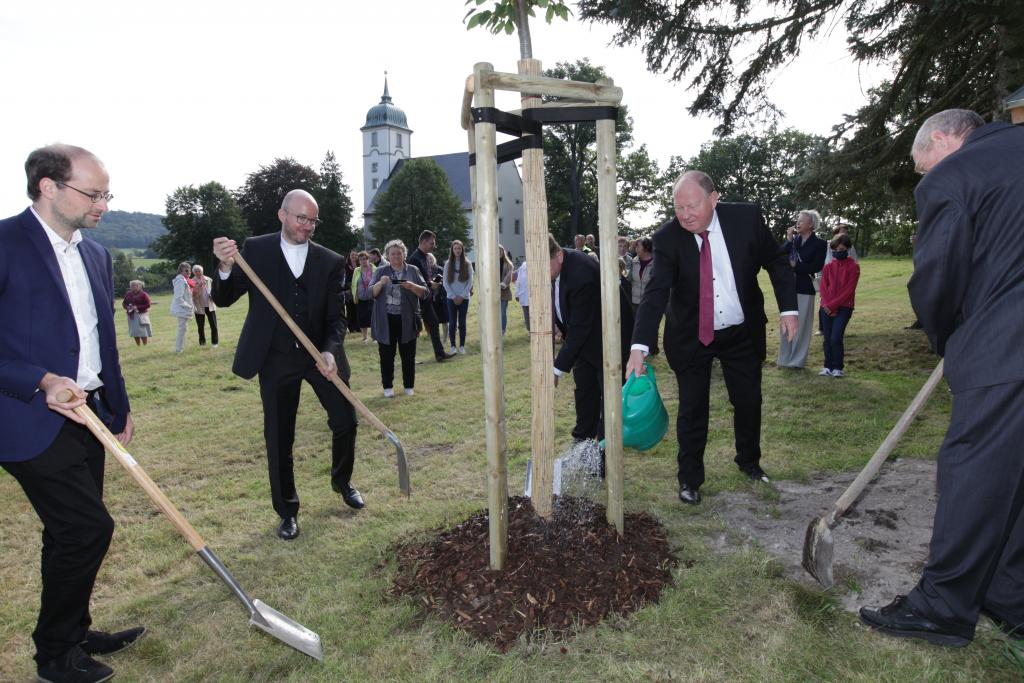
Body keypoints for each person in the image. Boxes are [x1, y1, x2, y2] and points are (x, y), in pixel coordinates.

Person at [860, 109, 1024, 647]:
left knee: (973, 472)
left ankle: (942, 606)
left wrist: (946, 334)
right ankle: (1010, 594)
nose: (923, 176)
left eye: (920, 164)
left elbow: (936, 278)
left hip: (1004, 347)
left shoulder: (955, 176)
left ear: (943, 138)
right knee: (1015, 477)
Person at [1, 144, 143, 683]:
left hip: (90, 413)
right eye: (93, 192)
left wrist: (118, 407)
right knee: (87, 529)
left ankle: (76, 629)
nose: (103, 203)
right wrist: (40, 380)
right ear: (48, 187)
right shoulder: (5, 243)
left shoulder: (96, 255)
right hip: (26, 416)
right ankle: (55, 657)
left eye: (107, 193)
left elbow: (102, 340)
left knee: (67, 534)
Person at [626, 171, 797, 505]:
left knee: (749, 402)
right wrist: (639, 346)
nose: (686, 214)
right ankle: (689, 479)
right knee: (692, 408)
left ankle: (749, 461)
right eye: (679, 207)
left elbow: (776, 260)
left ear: (714, 199)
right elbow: (656, 292)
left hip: (740, 332)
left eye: (693, 206)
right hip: (691, 336)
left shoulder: (746, 218)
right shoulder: (668, 237)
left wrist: (788, 308)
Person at [211, 189, 363, 543]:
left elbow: (336, 318)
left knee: (345, 420)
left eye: (313, 220)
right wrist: (224, 266)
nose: (307, 226)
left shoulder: (329, 260)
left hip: (320, 357)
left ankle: (342, 481)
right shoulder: (256, 250)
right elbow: (225, 297)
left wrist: (328, 351)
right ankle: (287, 510)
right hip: (276, 357)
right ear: (283, 215)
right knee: (279, 435)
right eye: (301, 218)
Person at [550, 234, 634, 448]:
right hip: (585, 340)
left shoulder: (580, 273)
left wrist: (557, 369)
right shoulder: (559, 267)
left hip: (610, 338)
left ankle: (604, 451)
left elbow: (581, 326)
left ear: (558, 255)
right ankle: (582, 442)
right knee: (585, 390)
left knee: (610, 395)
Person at [370, 239, 429, 397]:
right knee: (386, 356)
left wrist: (411, 286)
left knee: (408, 355)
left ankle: (409, 386)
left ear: (404, 254)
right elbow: (369, 293)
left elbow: (425, 292)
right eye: (392, 253)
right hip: (386, 319)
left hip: (407, 319)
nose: (396, 256)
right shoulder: (381, 271)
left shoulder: (413, 270)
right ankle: (387, 387)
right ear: (387, 256)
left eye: (399, 253)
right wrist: (380, 284)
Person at [778, 210, 826, 369]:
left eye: (801, 221)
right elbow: (781, 255)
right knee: (786, 324)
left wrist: (796, 266)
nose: (797, 224)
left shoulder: (820, 244)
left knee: (802, 325)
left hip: (805, 288)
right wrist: (789, 240)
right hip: (788, 288)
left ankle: (797, 361)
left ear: (811, 224)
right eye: (797, 221)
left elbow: (817, 266)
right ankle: (784, 359)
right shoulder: (794, 240)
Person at [406, 230, 456, 362]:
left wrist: (431, 282)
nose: (434, 245)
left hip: (425, 298)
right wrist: (430, 284)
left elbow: (424, 276)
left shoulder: (424, 257)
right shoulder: (414, 258)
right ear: (423, 242)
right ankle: (410, 358)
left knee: (433, 324)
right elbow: (414, 280)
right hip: (415, 300)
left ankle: (439, 354)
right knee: (413, 329)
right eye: (432, 243)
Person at [817, 234, 859, 377]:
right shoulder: (828, 267)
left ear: (847, 249)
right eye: (835, 249)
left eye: (841, 249)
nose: (838, 252)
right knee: (827, 339)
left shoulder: (854, 266)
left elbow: (849, 290)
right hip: (826, 307)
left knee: (836, 338)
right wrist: (827, 305)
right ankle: (827, 366)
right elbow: (823, 287)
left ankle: (838, 368)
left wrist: (833, 306)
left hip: (844, 307)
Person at [443, 239, 473, 354]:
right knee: (452, 322)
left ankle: (461, 346)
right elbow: (445, 282)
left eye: (459, 248)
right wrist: (453, 296)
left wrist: (462, 296)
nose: (457, 250)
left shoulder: (468, 263)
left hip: (464, 298)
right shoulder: (448, 264)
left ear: (462, 249)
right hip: (451, 298)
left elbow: (470, 282)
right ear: (452, 250)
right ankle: (453, 346)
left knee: (462, 322)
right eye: (455, 248)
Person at [629, 237, 657, 355]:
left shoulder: (656, 263)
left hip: (650, 300)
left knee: (650, 325)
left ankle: (652, 348)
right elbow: (629, 279)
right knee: (636, 325)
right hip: (634, 300)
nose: (635, 248)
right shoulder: (633, 262)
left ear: (645, 248)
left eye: (638, 246)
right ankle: (637, 349)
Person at [190, 264, 218, 348]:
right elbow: (193, 295)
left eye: (199, 271)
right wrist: (199, 286)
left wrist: (213, 295)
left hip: (210, 305)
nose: (198, 272)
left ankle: (215, 342)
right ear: (193, 272)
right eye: (196, 271)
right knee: (200, 327)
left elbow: (215, 290)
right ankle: (202, 343)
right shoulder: (191, 281)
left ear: (202, 271)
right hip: (199, 307)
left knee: (214, 325)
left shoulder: (209, 279)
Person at [351, 250, 376, 343]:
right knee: (362, 318)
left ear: (368, 259)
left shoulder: (375, 269)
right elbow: (354, 284)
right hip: (361, 297)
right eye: (361, 259)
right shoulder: (356, 270)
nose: (363, 261)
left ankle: (374, 337)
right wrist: (355, 295)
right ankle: (365, 338)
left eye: (365, 259)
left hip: (372, 297)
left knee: (373, 317)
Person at [169, 261, 194, 353]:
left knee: (183, 329)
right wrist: (189, 307)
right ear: (180, 271)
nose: (188, 273)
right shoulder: (180, 281)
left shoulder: (185, 280)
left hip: (184, 309)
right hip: (182, 309)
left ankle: (180, 348)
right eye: (186, 271)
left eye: (190, 271)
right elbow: (178, 298)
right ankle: (179, 349)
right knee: (181, 329)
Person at [425, 252, 449, 341]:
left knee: (444, 320)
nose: (429, 260)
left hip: (441, 298)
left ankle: (445, 339)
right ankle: (437, 339)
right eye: (427, 259)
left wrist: (439, 283)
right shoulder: (425, 271)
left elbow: (446, 282)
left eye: (431, 258)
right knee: (434, 321)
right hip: (431, 299)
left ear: (434, 259)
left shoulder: (440, 269)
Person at [122, 279, 153, 346]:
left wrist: (137, 307)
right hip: (131, 315)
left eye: (135, 285)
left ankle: (145, 345)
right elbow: (124, 303)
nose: (133, 287)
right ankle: (138, 345)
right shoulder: (128, 294)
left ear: (139, 286)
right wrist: (127, 307)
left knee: (143, 331)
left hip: (141, 315)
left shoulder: (144, 294)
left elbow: (148, 304)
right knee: (134, 331)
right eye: (131, 285)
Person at [343, 249, 360, 334]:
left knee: (358, 309)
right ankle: (351, 327)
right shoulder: (345, 266)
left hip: (358, 290)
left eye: (355, 255)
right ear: (349, 256)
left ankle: (358, 327)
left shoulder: (359, 266)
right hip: (349, 290)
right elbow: (343, 279)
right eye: (352, 255)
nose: (354, 256)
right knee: (350, 309)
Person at [498, 244, 514, 336]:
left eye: (500, 251)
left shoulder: (508, 264)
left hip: (504, 291)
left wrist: (503, 284)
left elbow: (509, 276)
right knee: (495, 312)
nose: (498, 253)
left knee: (503, 312)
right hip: (493, 292)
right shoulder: (491, 263)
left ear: (503, 252)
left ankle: (502, 330)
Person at [514, 259, 530, 332]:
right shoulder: (522, 268)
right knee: (526, 314)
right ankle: (529, 330)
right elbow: (518, 281)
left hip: (535, 295)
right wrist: (517, 294)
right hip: (524, 295)